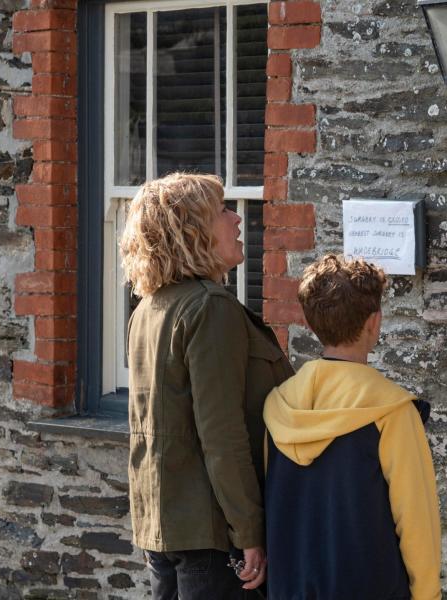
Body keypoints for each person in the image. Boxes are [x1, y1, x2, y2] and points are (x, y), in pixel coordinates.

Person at [121, 172, 293, 599]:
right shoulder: (209, 307)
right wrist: (250, 531)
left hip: (164, 526)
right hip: (211, 533)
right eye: (221, 212)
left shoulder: (149, 308)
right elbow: (221, 434)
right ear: (192, 231)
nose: (237, 220)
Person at [262, 254, 441, 600]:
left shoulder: (277, 408)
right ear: (374, 323)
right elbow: (418, 525)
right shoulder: (392, 412)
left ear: (312, 325)